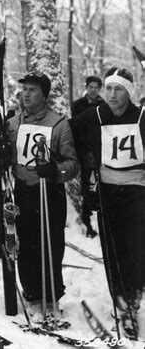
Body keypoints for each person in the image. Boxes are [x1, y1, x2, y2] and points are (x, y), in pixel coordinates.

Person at [71, 67, 145, 340]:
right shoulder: (95, 115)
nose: (112, 94)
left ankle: (133, 298)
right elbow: (69, 133)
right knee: (113, 249)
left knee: (135, 248)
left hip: (137, 189)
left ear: (129, 92)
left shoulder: (141, 117)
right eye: (109, 88)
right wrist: (86, 162)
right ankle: (121, 302)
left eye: (119, 89)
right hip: (107, 189)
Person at [6, 71, 79, 322]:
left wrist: (55, 169)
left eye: (32, 90)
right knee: (25, 243)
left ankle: (51, 295)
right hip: (23, 190)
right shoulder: (14, 123)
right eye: (24, 89)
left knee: (50, 243)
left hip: (48, 191)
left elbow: (73, 164)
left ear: (44, 95)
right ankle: (33, 292)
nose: (26, 94)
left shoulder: (58, 123)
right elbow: (7, 156)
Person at [71, 76, 105, 237]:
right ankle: (86, 221)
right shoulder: (78, 105)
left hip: (100, 151)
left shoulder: (104, 105)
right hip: (84, 151)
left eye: (96, 87)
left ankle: (101, 221)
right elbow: (76, 126)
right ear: (87, 87)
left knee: (100, 186)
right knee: (86, 185)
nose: (93, 90)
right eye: (91, 87)